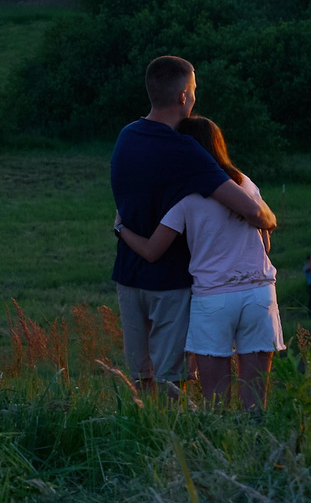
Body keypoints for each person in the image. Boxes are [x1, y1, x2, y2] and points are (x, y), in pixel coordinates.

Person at [107, 56, 275, 392]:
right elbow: (252, 212)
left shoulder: (126, 137)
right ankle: (172, 436)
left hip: (128, 276)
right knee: (172, 379)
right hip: (171, 282)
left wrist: (121, 228)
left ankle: (144, 436)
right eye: (194, 90)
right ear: (183, 96)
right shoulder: (185, 149)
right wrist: (266, 216)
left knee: (141, 376)